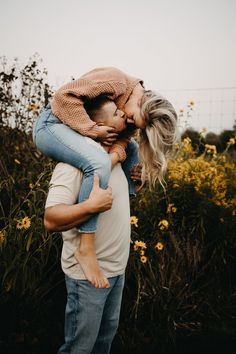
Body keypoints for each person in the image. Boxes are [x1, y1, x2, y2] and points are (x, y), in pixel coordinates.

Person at [33, 66, 178, 288]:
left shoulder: (130, 114)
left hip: (86, 126)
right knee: (97, 162)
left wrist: (124, 163)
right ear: (140, 103)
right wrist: (92, 130)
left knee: (132, 150)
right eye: (131, 118)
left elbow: (123, 140)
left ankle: (127, 193)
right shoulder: (116, 82)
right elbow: (63, 98)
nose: (129, 123)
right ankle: (86, 247)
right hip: (52, 124)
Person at [43, 127, 142, 354]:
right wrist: (90, 206)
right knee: (80, 348)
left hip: (116, 270)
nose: (124, 118)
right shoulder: (72, 166)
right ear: (99, 124)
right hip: (87, 278)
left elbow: (115, 202)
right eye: (116, 113)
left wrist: (138, 180)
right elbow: (50, 220)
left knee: (103, 344)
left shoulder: (114, 159)